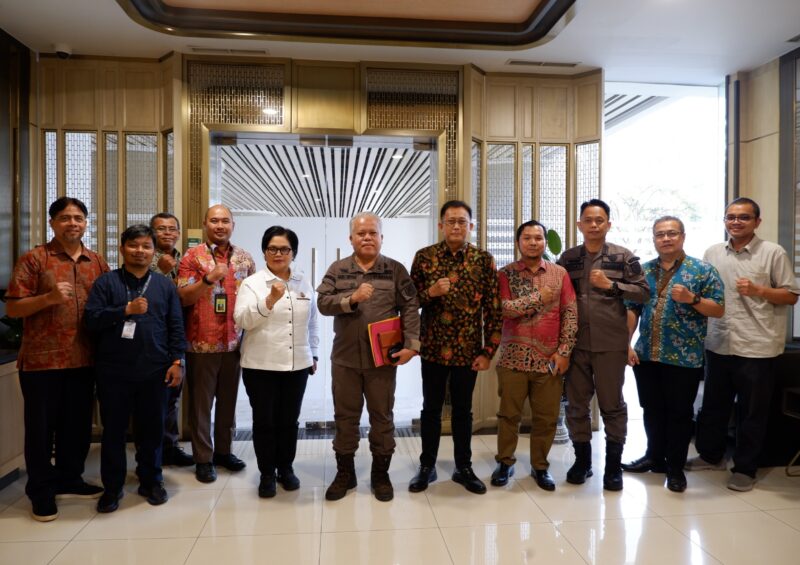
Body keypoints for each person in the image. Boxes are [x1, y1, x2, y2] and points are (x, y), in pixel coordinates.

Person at [6, 196, 108, 522]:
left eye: (78, 218)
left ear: (86, 223)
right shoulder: (35, 259)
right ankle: (41, 491)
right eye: (65, 218)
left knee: (76, 428)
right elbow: (13, 308)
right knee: (40, 430)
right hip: (41, 362)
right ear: (52, 223)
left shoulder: (97, 261)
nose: (72, 223)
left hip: (84, 360)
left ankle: (70, 478)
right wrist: (48, 298)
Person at [686, 198, 799, 492]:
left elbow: (791, 295)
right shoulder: (712, 253)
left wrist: (759, 290)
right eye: (731, 217)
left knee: (752, 412)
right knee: (714, 406)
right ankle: (711, 455)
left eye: (744, 217)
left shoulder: (773, 252)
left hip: (757, 345)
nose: (736, 222)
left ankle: (746, 468)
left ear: (756, 222)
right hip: (719, 341)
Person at [317, 212, 420, 502]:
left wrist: (412, 345)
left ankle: (380, 474)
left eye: (373, 233)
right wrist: (351, 299)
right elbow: (323, 303)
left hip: (382, 361)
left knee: (382, 417)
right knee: (345, 418)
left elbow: (411, 307)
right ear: (351, 238)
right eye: (361, 233)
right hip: (345, 360)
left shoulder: (395, 270)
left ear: (381, 238)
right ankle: (345, 473)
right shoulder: (338, 270)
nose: (367, 238)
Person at [84, 225, 186, 513]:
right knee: (113, 432)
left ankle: (151, 480)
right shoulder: (106, 283)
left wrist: (178, 361)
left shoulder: (164, 285)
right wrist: (124, 310)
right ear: (122, 248)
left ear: (154, 252)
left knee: (152, 430)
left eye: (146, 246)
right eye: (134, 245)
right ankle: (113, 488)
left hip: (155, 370)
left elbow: (176, 325)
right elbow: (91, 320)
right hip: (113, 371)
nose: (139, 251)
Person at [623, 216, 724, 493]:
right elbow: (632, 308)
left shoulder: (702, 270)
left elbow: (718, 309)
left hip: (684, 358)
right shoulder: (642, 272)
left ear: (682, 236)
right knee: (651, 410)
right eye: (660, 234)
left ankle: (675, 468)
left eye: (671, 234)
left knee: (679, 414)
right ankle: (654, 457)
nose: (665, 239)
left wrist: (692, 299)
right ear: (654, 239)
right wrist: (627, 344)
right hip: (646, 355)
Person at [408, 200, 502, 495]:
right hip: (433, 349)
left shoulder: (483, 260)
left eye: (462, 221)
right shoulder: (424, 258)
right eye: (451, 221)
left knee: (463, 411)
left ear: (470, 226)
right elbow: (410, 304)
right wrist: (431, 292)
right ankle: (427, 466)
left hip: (468, 352)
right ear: (441, 225)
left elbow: (494, 310)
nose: (456, 226)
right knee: (431, 410)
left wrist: (488, 352)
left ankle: (464, 467)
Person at [557, 198, 649, 491]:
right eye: (588, 220)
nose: (593, 225)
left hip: (611, 343)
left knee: (612, 405)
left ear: (608, 224)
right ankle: (582, 461)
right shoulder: (568, 258)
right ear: (579, 224)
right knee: (576, 405)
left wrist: (612, 285)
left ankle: (612, 466)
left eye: (599, 220)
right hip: (575, 343)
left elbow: (644, 293)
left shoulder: (623, 257)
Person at [233, 226, 319, 498]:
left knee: (289, 421)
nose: (278, 254)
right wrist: (269, 301)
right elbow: (242, 321)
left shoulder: (303, 283)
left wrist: (313, 353)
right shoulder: (253, 283)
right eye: (272, 249)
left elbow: (313, 322)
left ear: (293, 253)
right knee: (265, 422)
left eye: (284, 249)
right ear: (264, 251)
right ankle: (267, 473)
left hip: (297, 365)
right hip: (261, 366)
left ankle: (286, 468)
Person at [491, 220, 577, 491]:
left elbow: (570, 314)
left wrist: (564, 352)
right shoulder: (505, 274)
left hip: (550, 359)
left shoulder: (559, 274)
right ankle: (505, 462)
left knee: (546, 417)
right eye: (527, 238)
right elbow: (504, 309)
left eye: (538, 238)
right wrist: (540, 297)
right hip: (513, 358)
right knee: (508, 415)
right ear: (518, 242)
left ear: (544, 242)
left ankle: (540, 466)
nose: (533, 242)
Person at [177, 204, 255, 483]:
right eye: (214, 221)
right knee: (200, 406)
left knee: (228, 404)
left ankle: (224, 451)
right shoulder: (192, 257)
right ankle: (203, 458)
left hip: (235, 344)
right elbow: (184, 297)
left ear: (233, 224)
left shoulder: (245, 259)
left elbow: (253, 299)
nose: (220, 226)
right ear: (205, 224)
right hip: (201, 344)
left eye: (225, 221)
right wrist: (208, 280)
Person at [149, 212, 193, 468]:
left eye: (171, 229)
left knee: (172, 397)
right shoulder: (144, 257)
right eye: (161, 229)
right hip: (153, 338)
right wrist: (159, 270)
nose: (167, 233)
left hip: (179, 336)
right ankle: (153, 452)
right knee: (154, 399)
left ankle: (169, 447)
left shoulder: (185, 260)